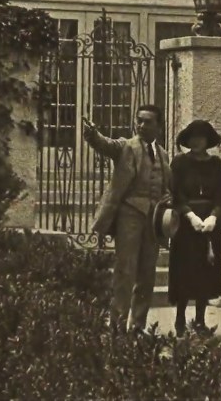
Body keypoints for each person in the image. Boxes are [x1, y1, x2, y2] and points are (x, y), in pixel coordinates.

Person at [84, 105, 171, 335]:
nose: (141, 125)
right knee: (125, 271)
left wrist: (167, 198)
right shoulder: (126, 146)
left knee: (147, 273)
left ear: (159, 126)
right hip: (129, 215)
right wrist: (92, 134)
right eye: (139, 120)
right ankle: (117, 326)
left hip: (153, 220)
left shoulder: (163, 154)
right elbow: (105, 144)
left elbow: (166, 186)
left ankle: (138, 326)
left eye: (148, 122)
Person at [168, 119, 221, 336]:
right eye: (193, 138)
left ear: (208, 141)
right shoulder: (179, 163)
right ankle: (180, 319)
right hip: (186, 227)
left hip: (209, 227)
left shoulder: (216, 164)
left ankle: (200, 320)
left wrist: (214, 216)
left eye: (201, 138)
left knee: (206, 273)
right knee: (184, 272)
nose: (197, 142)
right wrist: (189, 215)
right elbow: (175, 193)